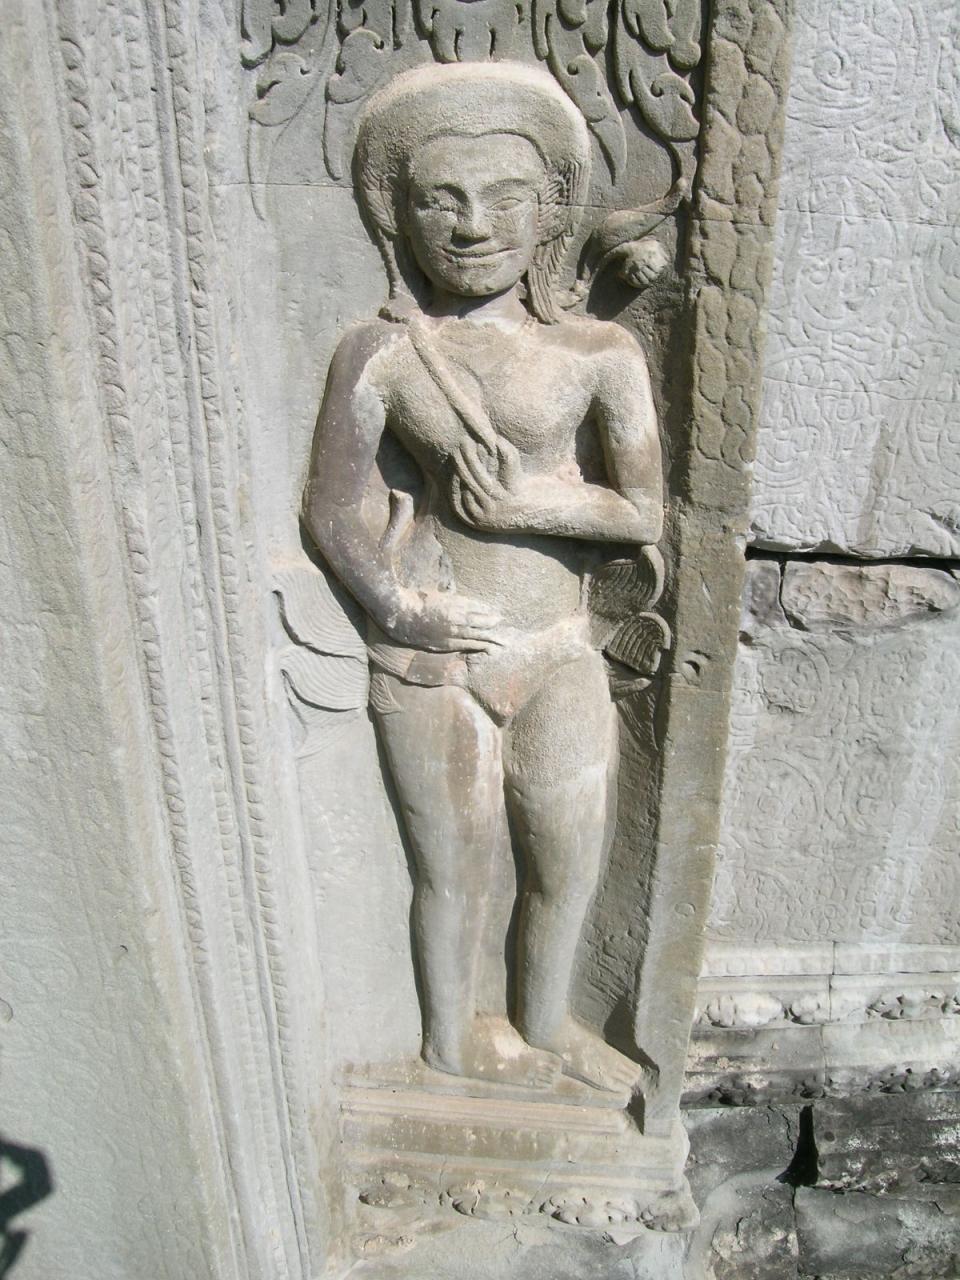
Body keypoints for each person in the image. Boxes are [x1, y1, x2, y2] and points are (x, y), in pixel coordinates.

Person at [302, 62, 664, 1095]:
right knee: (451, 868)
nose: (472, 227)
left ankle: (547, 1020)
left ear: (550, 211)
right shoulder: (380, 353)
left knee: (566, 859)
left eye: (505, 198)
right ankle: (450, 1042)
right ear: (396, 214)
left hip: (557, 648)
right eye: (440, 201)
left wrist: (529, 507)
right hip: (438, 653)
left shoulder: (599, 352)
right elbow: (331, 508)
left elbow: (642, 511)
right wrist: (399, 606)